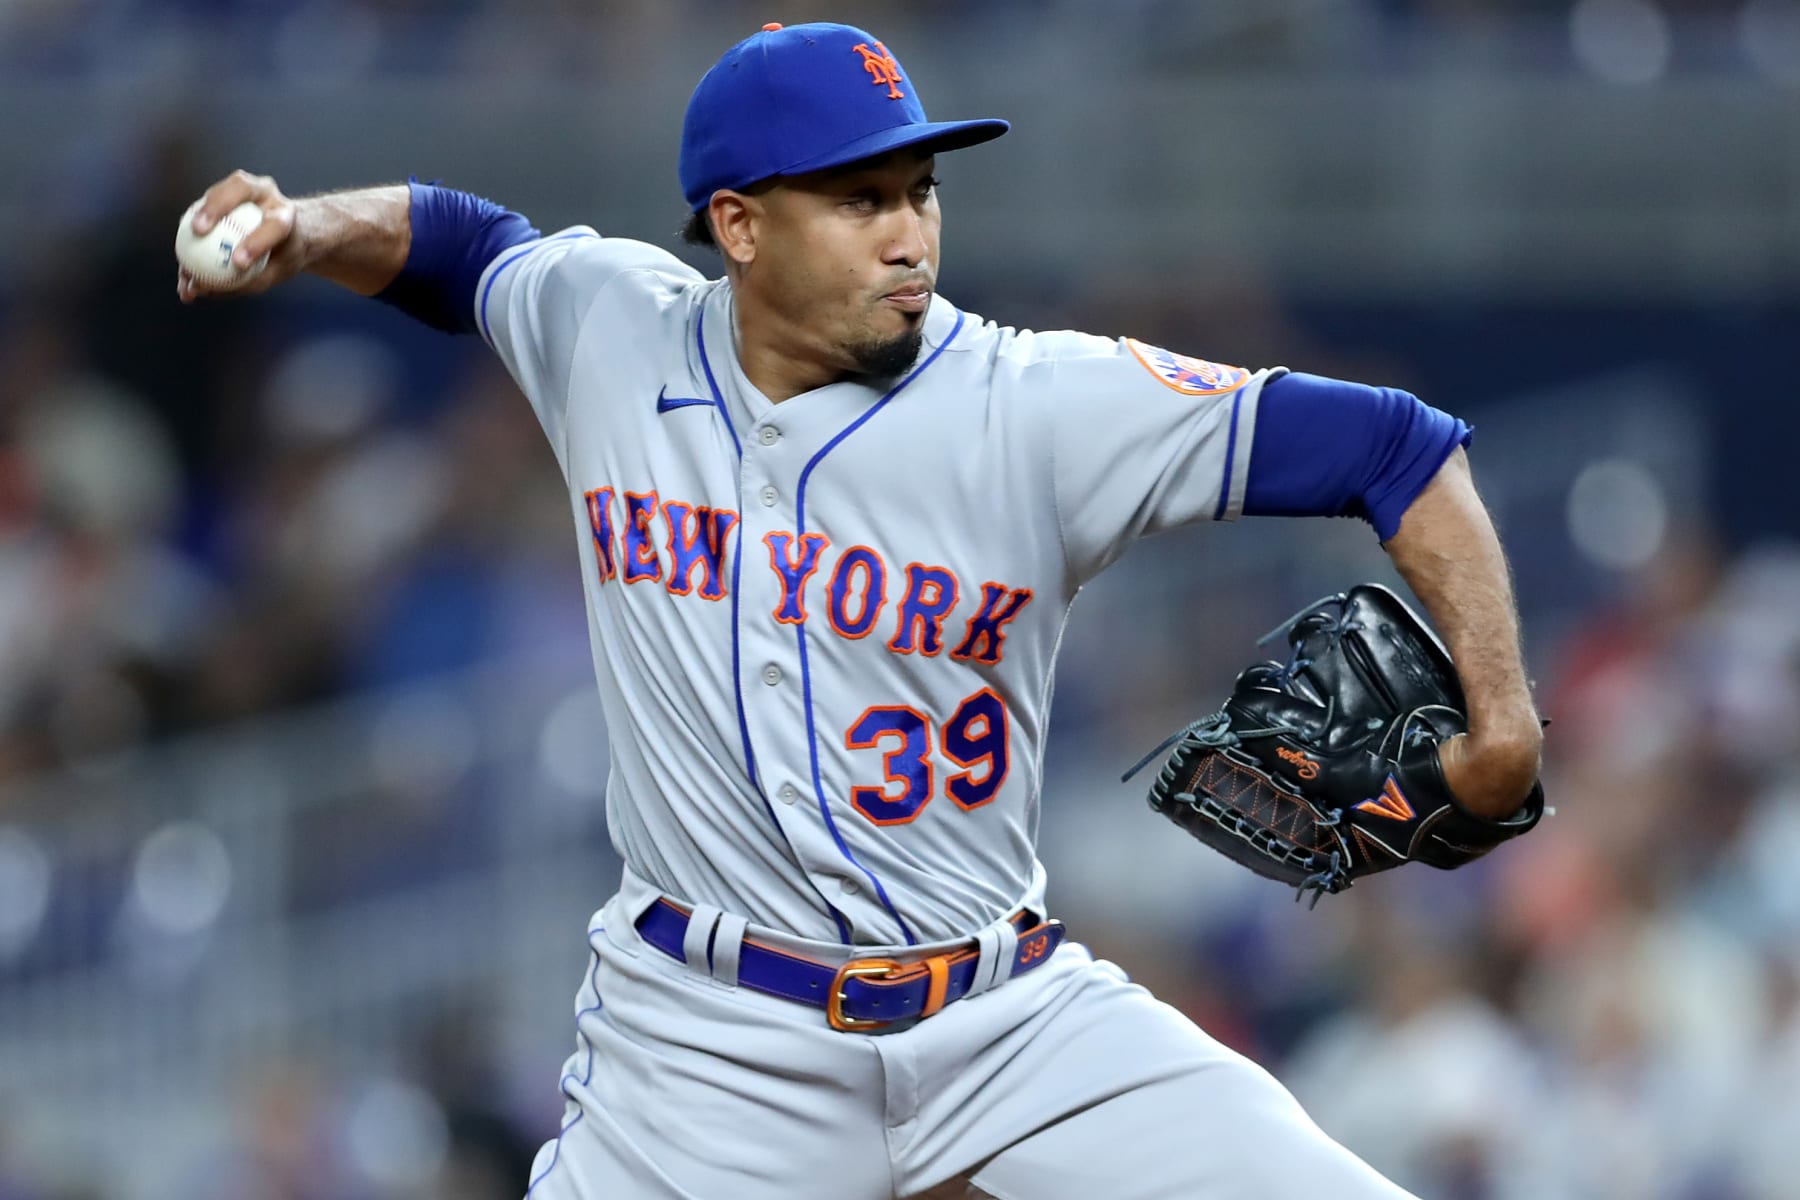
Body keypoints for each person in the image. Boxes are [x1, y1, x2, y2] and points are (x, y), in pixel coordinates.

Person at [178, 21, 1542, 1200]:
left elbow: (1397, 448)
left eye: (920, 189)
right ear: (739, 224)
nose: (911, 234)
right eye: (859, 198)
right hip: (704, 1048)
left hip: (1005, 1020)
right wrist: (304, 230)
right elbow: (466, 249)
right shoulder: (615, 330)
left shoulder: (1037, 406)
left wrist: (1505, 726)